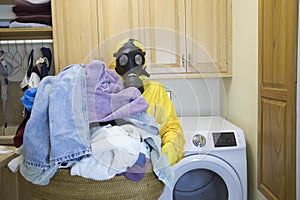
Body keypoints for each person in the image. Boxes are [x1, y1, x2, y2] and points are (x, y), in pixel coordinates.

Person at [113, 38, 186, 166]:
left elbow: (171, 128)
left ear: (143, 61)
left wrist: (163, 158)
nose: (130, 65)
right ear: (117, 65)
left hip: (149, 166)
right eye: (123, 60)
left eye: (136, 59)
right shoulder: (109, 92)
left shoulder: (155, 90)